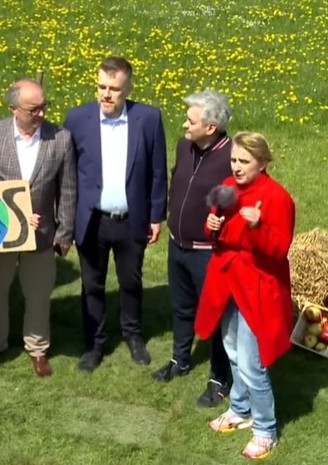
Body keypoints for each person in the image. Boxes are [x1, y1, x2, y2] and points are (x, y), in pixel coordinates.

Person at [63, 56, 167, 373]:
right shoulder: (77, 119)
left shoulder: (148, 118)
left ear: (128, 89)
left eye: (114, 89)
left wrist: (156, 216)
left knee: (130, 281)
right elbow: (67, 172)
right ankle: (94, 344)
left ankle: (133, 335)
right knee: (92, 284)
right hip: (92, 219)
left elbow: (158, 170)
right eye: (102, 87)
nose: (106, 95)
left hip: (130, 219)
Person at [197, 132, 295, 460]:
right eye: (234, 160)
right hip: (227, 281)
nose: (236, 167)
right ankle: (240, 409)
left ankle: (266, 429)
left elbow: (280, 250)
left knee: (253, 363)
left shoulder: (278, 198)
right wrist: (211, 225)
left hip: (258, 289)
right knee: (234, 352)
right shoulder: (227, 186)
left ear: (263, 162)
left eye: (244, 161)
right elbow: (215, 230)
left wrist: (258, 227)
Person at [0, 79, 76, 378]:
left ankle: (37, 348)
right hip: (0, 233)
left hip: (42, 234)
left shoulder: (60, 138)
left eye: (44, 106)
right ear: (14, 109)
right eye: (33, 109)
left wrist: (64, 233)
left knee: (38, 294)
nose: (41, 114)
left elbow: (67, 189)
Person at [151, 90, 233, 408]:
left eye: (191, 120)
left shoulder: (232, 157)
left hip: (208, 253)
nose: (184, 124)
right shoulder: (184, 145)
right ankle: (180, 360)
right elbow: (176, 181)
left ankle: (219, 378)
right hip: (178, 245)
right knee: (182, 308)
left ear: (211, 127)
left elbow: (246, 200)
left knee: (215, 317)